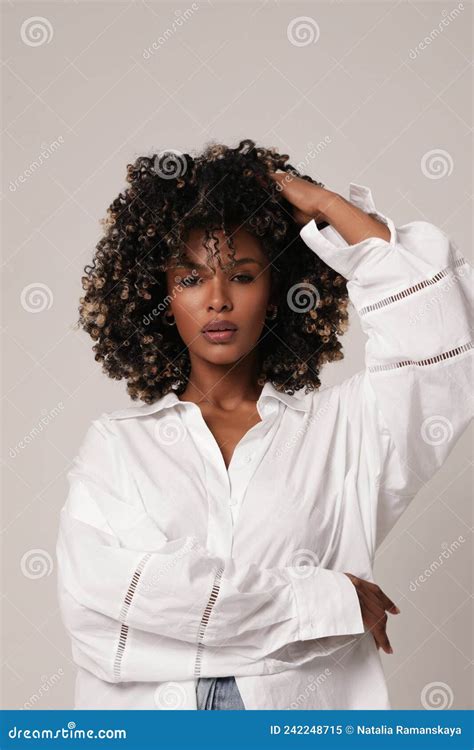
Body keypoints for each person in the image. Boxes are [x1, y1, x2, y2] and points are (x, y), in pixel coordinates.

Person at [56, 139, 472, 710]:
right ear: (162, 297)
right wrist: (324, 603)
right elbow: (104, 604)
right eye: (191, 279)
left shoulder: (343, 429)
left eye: (244, 276)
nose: (218, 300)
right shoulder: (119, 445)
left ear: (275, 295)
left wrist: (327, 206)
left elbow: (443, 348)